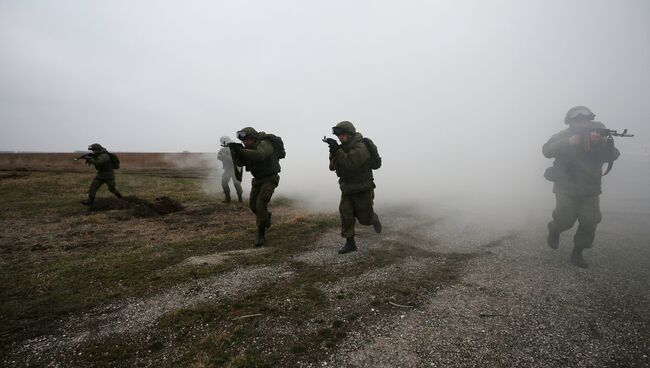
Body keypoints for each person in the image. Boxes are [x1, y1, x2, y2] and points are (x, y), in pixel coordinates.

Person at [543, 106, 620, 268]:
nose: (582, 123)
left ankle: (578, 252)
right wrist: (568, 142)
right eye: (578, 120)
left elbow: (613, 155)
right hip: (566, 187)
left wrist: (599, 143)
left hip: (590, 189)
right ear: (570, 122)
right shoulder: (561, 136)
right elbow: (546, 151)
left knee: (589, 222)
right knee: (565, 220)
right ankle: (555, 229)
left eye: (585, 120)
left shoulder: (599, 136)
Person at [325, 121, 382, 254]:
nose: (340, 138)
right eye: (338, 136)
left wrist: (337, 150)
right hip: (347, 189)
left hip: (362, 188)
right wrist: (333, 151)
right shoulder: (342, 147)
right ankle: (350, 243)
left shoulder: (361, 147)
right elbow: (332, 167)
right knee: (346, 214)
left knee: (364, 218)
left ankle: (373, 219)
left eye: (342, 135)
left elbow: (351, 163)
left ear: (350, 134)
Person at [230, 127, 284, 247]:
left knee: (261, 203)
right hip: (257, 180)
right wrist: (236, 152)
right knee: (253, 206)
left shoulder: (265, 144)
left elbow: (260, 155)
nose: (245, 143)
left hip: (270, 178)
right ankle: (265, 216)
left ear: (253, 138)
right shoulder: (248, 149)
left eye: (247, 140)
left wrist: (242, 151)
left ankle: (261, 235)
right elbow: (240, 163)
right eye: (243, 141)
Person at [217, 136, 243, 203]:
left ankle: (240, 199)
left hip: (236, 169)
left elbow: (234, 160)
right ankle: (227, 198)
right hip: (228, 169)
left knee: (237, 184)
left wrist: (225, 156)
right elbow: (218, 157)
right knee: (224, 182)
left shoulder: (235, 148)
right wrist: (221, 156)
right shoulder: (223, 149)